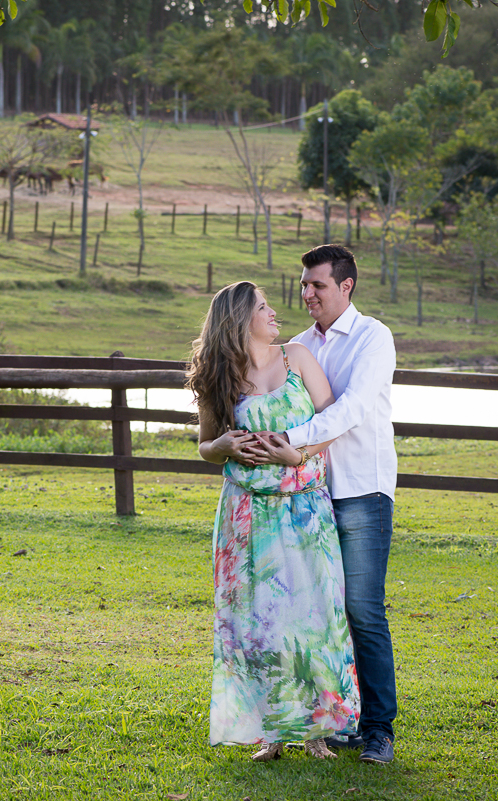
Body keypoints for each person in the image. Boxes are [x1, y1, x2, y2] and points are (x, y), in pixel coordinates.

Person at [188, 280, 360, 762]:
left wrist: (298, 455)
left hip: (305, 507)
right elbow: (206, 445)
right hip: (246, 512)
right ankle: (270, 730)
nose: (274, 313)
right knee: (259, 619)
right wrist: (220, 447)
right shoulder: (219, 376)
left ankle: (317, 731)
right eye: (263, 307)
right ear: (239, 319)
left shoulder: (298, 357)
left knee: (314, 616)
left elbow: (334, 422)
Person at [251, 244, 398, 765]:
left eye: (317, 285)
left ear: (346, 286)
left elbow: (354, 409)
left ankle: (379, 730)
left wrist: (292, 440)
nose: (306, 293)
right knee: (318, 614)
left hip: (360, 491)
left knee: (362, 611)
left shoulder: (373, 338)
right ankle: (336, 721)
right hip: (307, 500)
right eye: (304, 283)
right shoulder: (296, 347)